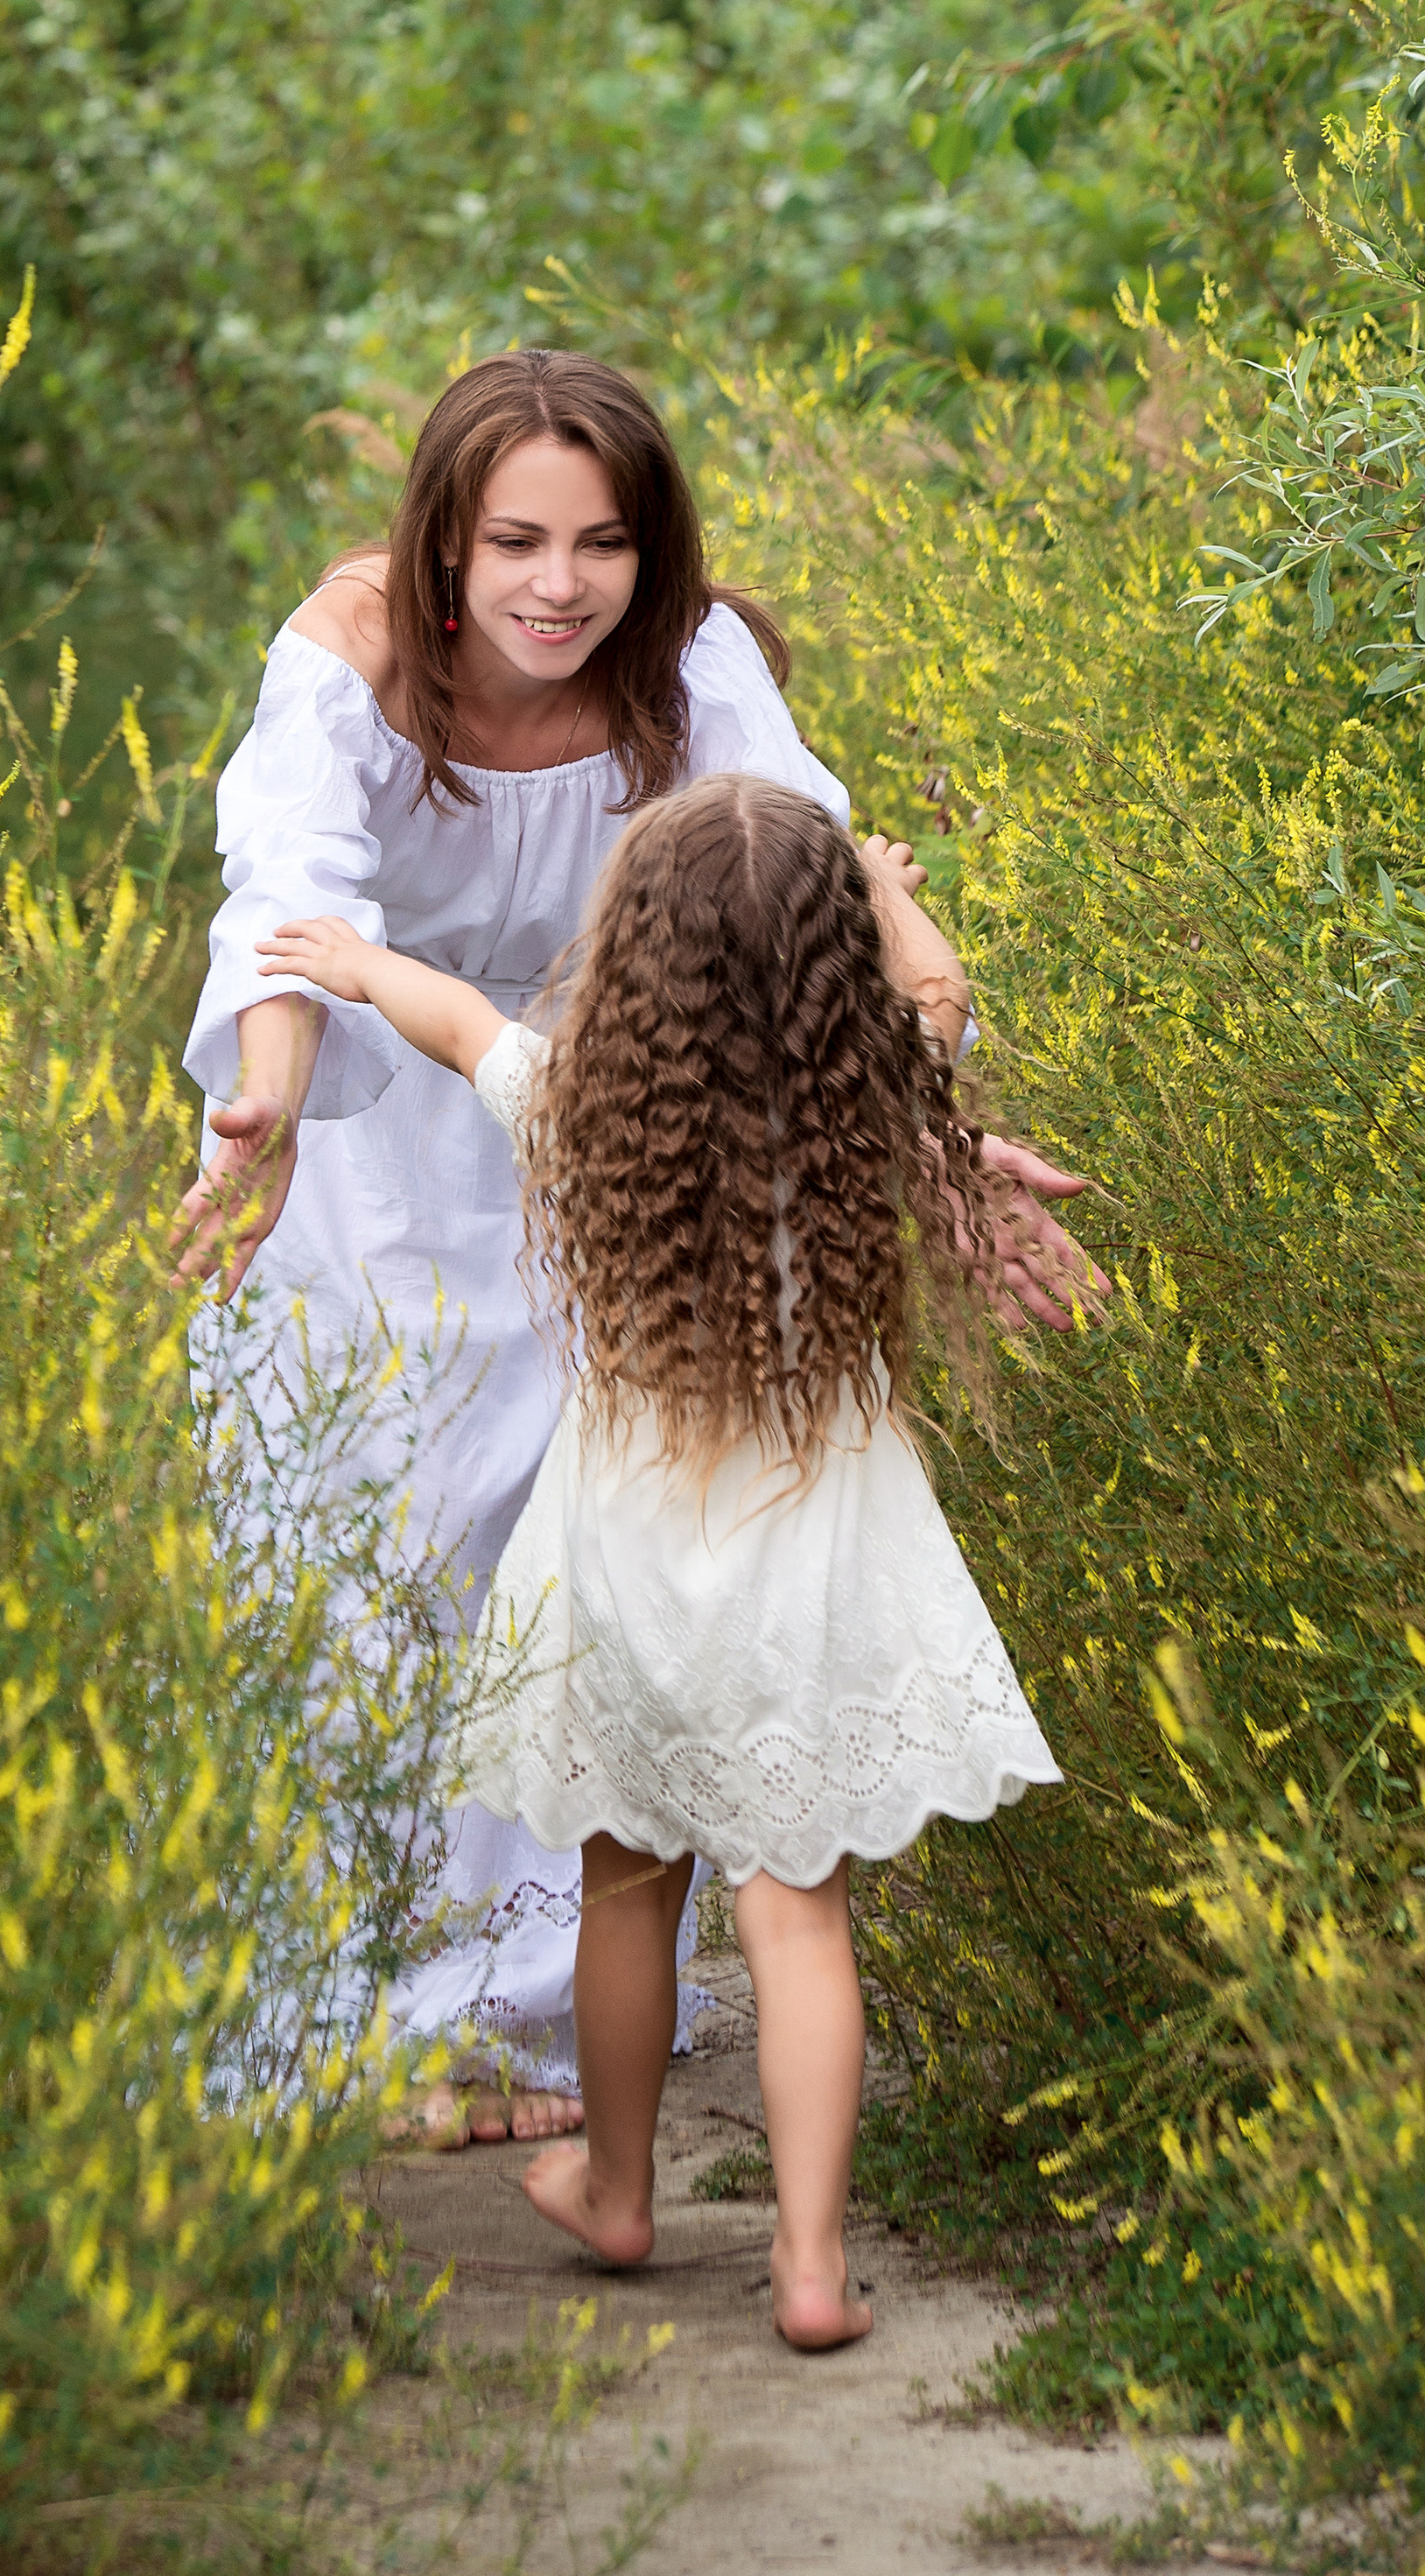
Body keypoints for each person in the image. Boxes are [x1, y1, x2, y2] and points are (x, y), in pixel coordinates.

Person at [172, 349, 1092, 2146]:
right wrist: (267, 1108)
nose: (555, 584)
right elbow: (290, 906)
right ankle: (318, 2014)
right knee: (353, 1552)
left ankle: (510, 2021)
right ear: (442, 536)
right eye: (513, 539)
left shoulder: (690, 663)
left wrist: (932, 1146)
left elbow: (808, 917)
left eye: (598, 542)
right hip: (362, 1125)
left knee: (555, 1570)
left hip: (616, 1144)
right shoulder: (348, 651)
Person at [256, 776, 1062, 2345]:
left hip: (622, 1554)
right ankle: (813, 2266)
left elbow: (447, 1022)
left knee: (625, 1886)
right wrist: (887, 886)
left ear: (630, 958)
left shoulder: (578, 1105)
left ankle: (617, 2190)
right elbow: (939, 993)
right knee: (795, 1905)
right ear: (831, 974)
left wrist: (350, 962)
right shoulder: (870, 1101)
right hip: (810, 1553)